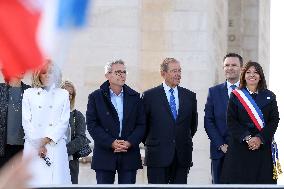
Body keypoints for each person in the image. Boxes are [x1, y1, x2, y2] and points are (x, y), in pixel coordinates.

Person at [86, 60, 145, 184]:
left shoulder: (135, 97)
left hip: (129, 153)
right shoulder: (95, 97)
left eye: (124, 72)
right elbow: (92, 125)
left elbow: (141, 125)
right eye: (118, 72)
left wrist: (129, 142)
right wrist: (110, 142)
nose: (122, 75)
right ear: (108, 75)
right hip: (104, 153)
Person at [220, 61, 280, 184]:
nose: (252, 75)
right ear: (243, 76)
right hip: (240, 147)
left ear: (260, 76)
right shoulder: (236, 95)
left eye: (256, 72)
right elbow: (231, 120)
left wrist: (259, 138)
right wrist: (247, 137)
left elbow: (274, 120)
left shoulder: (270, 96)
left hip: (262, 148)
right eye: (248, 72)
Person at [142, 57, 198, 184]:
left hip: (182, 156)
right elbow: (143, 126)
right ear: (163, 73)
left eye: (179, 71)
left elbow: (192, 126)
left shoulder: (189, 96)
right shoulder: (149, 96)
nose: (178, 74)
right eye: (174, 71)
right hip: (157, 156)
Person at [22, 60, 71, 185]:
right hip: (33, 146)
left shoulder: (63, 94)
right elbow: (26, 121)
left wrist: (47, 139)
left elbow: (64, 121)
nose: (48, 75)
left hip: (55, 145)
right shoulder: (28, 94)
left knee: (57, 182)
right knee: (34, 181)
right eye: (44, 73)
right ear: (38, 75)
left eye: (51, 72)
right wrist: (38, 142)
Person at [204, 53, 243, 184]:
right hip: (220, 152)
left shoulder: (249, 92)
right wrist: (221, 145)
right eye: (227, 65)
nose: (230, 68)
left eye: (234, 65)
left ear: (241, 69)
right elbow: (208, 121)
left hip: (243, 152)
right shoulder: (213, 92)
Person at [0, 71, 30, 168]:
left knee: (21, 182)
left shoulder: (30, 91)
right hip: (3, 146)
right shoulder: (1, 89)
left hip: (23, 147)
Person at [61, 80, 89, 184]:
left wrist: (61, 151)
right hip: (52, 161)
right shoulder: (50, 115)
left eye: (71, 94)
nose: (68, 96)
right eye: (65, 93)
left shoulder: (77, 116)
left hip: (70, 162)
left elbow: (81, 138)